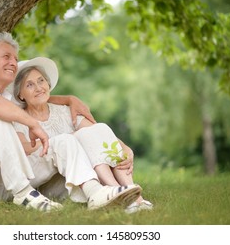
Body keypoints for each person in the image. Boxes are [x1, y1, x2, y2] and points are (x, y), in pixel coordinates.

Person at [0, 32, 141, 212]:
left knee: (64, 140)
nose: (13, 62)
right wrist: (32, 124)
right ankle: (24, 194)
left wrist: (69, 99)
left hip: (1, 185)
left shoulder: (9, 100)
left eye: (15, 58)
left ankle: (95, 192)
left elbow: (32, 97)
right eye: (6, 56)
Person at [11, 56, 153, 213]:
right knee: (74, 136)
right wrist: (64, 138)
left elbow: (99, 133)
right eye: (29, 85)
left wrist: (125, 148)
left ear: (48, 84)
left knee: (100, 128)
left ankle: (135, 198)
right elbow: (23, 148)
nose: (38, 87)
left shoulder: (64, 111)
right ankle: (119, 193)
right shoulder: (19, 118)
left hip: (85, 176)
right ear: (20, 94)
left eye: (41, 81)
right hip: (52, 181)